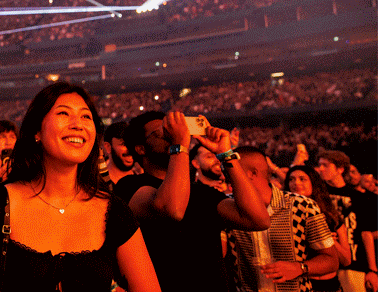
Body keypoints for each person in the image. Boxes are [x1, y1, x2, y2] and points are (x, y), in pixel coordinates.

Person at [0, 82, 160, 292]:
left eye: (86, 116)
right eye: (64, 113)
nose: (78, 124)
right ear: (37, 130)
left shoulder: (115, 212)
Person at [115, 111, 270, 292]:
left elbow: (258, 219)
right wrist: (179, 145)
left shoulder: (201, 192)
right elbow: (173, 209)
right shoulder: (129, 187)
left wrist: (225, 153)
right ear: (141, 149)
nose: (170, 135)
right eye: (161, 132)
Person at [226, 148, 339, 292]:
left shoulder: (302, 206)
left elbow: (331, 260)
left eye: (230, 171)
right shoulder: (228, 208)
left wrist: (300, 267)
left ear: (253, 173)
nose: (225, 177)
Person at [316, 151, 378, 292]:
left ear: (340, 169)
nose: (320, 169)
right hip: (324, 262)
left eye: (325, 165)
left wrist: (372, 270)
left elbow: (365, 233)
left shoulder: (359, 198)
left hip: (354, 265)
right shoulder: (317, 195)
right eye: (319, 165)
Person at [286, 165, 352, 292]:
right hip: (302, 285)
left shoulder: (331, 216)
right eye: (291, 179)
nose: (296, 183)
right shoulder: (284, 215)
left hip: (330, 285)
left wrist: (327, 239)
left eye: (302, 179)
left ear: (313, 183)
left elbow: (346, 260)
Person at [101, 121, 135, 187]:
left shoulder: (143, 178)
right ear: (108, 147)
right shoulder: (95, 182)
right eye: (124, 144)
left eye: (132, 143)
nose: (130, 149)